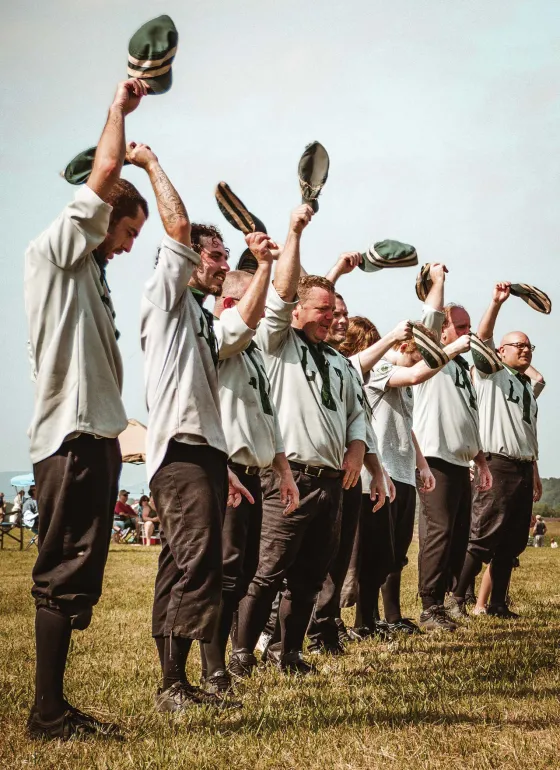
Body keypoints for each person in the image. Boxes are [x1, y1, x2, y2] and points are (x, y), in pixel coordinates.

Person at [24, 78, 150, 741]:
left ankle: (54, 706)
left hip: (92, 435)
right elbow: (105, 174)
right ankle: (46, 713)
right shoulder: (60, 250)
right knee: (63, 576)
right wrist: (119, 114)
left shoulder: (88, 277)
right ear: (102, 218)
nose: (128, 245)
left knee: (77, 582)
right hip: (70, 438)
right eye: (127, 231)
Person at [133, 142, 252, 712]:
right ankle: (173, 686)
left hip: (203, 451)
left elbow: (248, 322)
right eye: (216, 255)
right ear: (188, 258)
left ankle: (175, 684)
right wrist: (152, 163)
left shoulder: (203, 322)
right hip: (177, 451)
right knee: (198, 561)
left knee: (182, 561)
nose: (224, 265)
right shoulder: (165, 297)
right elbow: (177, 226)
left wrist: (269, 261)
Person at [231, 207, 371, 678]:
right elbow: (284, 290)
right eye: (322, 309)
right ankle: (241, 655)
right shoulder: (278, 343)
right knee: (267, 571)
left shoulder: (337, 361)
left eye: (334, 310)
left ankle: (287, 653)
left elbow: (357, 415)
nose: (331, 317)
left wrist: (356, 448)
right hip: (291, 477)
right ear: (297, 312)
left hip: (331, 481)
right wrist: (294, 231)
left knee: (310, 576)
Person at [199, 237, 299, 694]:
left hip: (255, 471)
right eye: (254, 307)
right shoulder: (218, 336)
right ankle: (212, 666)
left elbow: (266, 416)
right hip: (226, 468)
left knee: (240, 574)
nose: (262, 317)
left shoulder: (254, 352)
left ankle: (219, 662)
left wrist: (281, 468)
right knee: (222, 572)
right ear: (233, 304)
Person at [347, 311, 471, 636]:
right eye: (419, 347)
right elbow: (417, 374)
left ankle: (384, 618)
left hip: (402, 472)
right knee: (375, 552)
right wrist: (455, 348)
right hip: (382, 470)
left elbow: (407, 425)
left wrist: (421, 463)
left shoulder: (401, 376)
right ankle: (365, 621)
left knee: (393, 554)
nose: (422, 355)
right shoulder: (380, 368)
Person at [305, 256, 389, 654]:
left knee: (335, 558)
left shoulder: (345, 365)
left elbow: (360, 420)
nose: (339, 319)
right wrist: (335, 271)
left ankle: (325, 629)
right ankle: (282, 634)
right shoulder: (299, 349)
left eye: (344, 313)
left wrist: (370, 464)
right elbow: (296, 297)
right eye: (331, 312)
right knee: (297, 562)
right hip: (303, 469)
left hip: (345, 474)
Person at [452, 282, 544, 618]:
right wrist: (496, 303)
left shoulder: (524, 387)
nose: (525, 350)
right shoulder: (491, 375)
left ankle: (498, 603)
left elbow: (529, 435)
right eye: (517, 346)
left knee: (512, 541)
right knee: (484, 534)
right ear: (501, 352)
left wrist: (534, 472)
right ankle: (457, 598)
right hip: (497, 462)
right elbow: (484, 337)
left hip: (520, 465)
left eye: (529, 346)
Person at [414, 264, 492, 631]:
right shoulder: (432, 360)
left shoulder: (461, 368)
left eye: (467, 325)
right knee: (439, 533)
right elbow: (428, 323)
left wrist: (481, 459)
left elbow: (469, 416)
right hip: (434, 458)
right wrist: (439, 283)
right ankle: (429, 606)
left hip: (461, 461)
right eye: (460, 326)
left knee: (459, 535)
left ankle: (445, 601)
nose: (467, 332)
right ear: (443, 331)